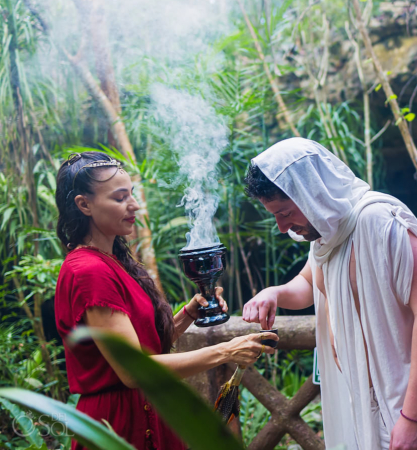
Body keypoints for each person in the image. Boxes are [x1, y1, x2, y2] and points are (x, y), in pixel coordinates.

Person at [241, 138, 417, 449]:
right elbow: (310, 286)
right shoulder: (325, 236)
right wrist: (274, 293)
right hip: (361, 398)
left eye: (285, 212)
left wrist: (413, 416)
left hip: (409, 400)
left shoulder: (379, 220)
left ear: (310, 192)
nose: (282, 227)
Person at [54, 151, 278, 450]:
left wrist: (188, 313)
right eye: (120, 198)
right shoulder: (89, 270)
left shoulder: (113, 262)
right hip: (120, 425)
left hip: (151, 412)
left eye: (131, 195)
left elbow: (147, 347)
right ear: (84, 205)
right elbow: (135, 371)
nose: (134, 205)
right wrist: (227, 350)